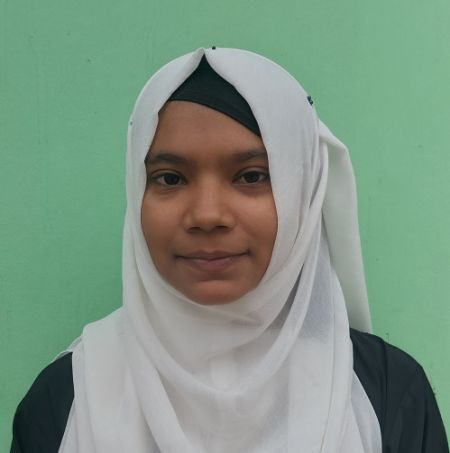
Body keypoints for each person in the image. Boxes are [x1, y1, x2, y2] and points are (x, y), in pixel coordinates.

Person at [11, 47, 448, 452]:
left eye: (252, 176)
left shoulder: (387, 393)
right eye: (170, 178)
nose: (207, 215)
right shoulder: (67, 395)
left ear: (303, 191)